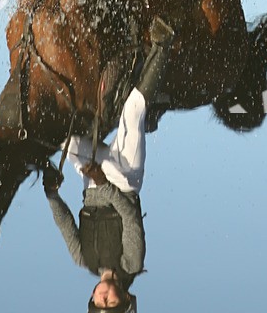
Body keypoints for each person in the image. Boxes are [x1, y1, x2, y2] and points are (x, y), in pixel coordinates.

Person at [43, 17, 175, 310]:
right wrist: (104, 182)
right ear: (126, 298)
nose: (103, 299)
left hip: (93, 179)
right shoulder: (132, 262)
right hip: (124, 177)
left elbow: (64, 221)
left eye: (97, 304)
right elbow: (129, 217)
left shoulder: (83, 258)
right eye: (111, 305)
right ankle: (163, 44)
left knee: (60, 141)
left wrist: (52, 194)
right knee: (132, 112)